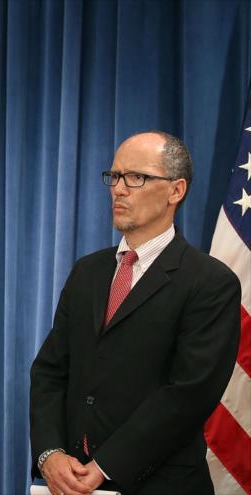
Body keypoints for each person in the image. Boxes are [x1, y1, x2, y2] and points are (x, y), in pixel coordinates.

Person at [29, 131, 240, 494]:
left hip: (160, 484)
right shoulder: (87, 272)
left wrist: (106, 465)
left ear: (176, 191)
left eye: (136, 178)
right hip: (69, 483)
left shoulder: (210, 282)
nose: (119, 189)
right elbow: (50, 371)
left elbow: (188, 395)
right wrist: (50, 454)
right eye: (114, 177)